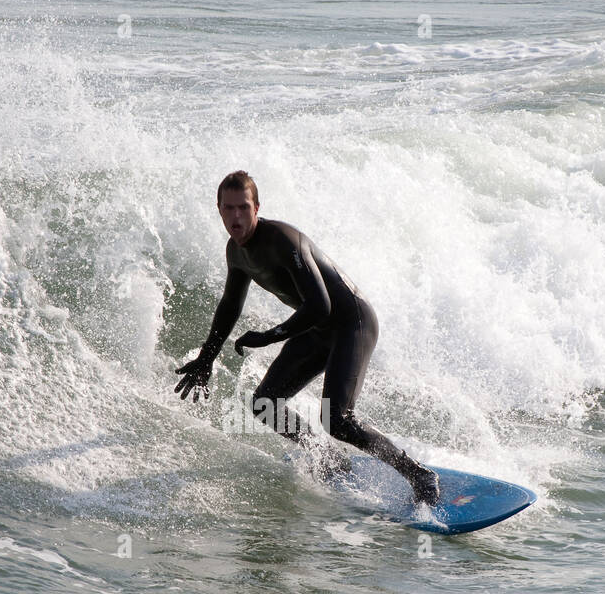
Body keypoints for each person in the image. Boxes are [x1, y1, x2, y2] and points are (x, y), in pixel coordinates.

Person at [174, 170, 440, 505]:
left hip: (351, 322)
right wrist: (206, 358)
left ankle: (419, 474)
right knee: (265, 403)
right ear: (218, 209)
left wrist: (271, 336)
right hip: (319, 328)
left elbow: (321, 305)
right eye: (228, 209)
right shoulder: (236, 253)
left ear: (257, 207)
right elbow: (229, 306)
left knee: (338, 419)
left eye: (243, 207)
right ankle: (329, 458)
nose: (236, 217)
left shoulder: (283, 240)